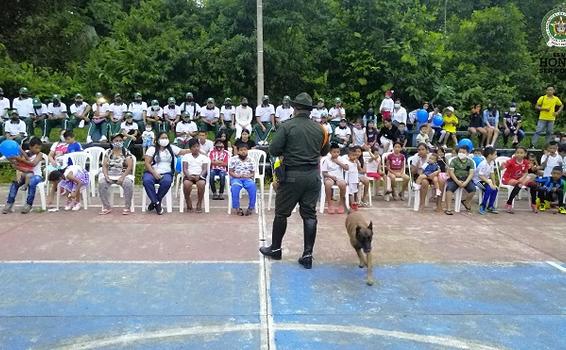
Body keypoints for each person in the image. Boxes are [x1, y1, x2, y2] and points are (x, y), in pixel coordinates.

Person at [260, 92, 330, 269]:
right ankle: (307, 254)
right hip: (312, 176)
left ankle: (276, 249)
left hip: (292, 175)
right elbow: (323, 152)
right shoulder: (321, 129)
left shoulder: (287, 126)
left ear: (295, 108)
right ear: (309, 110)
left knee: (282, 213)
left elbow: (274, 150)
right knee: (309, 215)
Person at [143, 132, 191, 215]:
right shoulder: (152, 149)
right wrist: (154, 173)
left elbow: (183, 151)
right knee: (147, 181)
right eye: (162, 138)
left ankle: (154, 201)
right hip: (152, 172)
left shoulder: (171, 148)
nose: (164, 140)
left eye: (166, 138)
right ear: (157, 139)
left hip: (166, 173)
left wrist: (195, 149)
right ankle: (157, 203)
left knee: (167, 182)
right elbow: (147, 163)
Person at [2, 137, 44, 214]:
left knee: (32, 181)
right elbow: (20, 165)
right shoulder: (25, 153)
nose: (38, 149)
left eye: (39, 148)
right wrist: (15, 165)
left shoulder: (40, 154)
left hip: (37, 176)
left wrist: (20, 159)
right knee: (15, 183)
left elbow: (33, 164)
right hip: (26, 174)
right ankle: (9, 203)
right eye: (36, 148)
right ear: (30, 147)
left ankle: (28, 204)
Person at [98, 134, 135, 215]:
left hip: (123, 174)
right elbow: (104, 166)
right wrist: (106, 177)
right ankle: (107, 207)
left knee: (128, 183)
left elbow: (129, 166)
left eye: (120, 141)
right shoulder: (108, 152)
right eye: (116, 141)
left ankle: (127, 207)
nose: (118, 142)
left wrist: (122, 177)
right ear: (112, 142)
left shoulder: (126, 152)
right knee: (102, 183)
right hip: (110, 175)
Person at [46, 131, 82, 206]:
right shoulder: (64, 145)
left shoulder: (76, 145)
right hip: (63, 166)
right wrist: (57, 158)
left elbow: (81, 154)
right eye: (66, 139)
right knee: (54, 174)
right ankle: (56, 192)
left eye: (68, 139)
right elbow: (63, 155)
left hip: (73, 167)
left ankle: (72, 198)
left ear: (72, 137)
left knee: (68, 179)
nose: (66, 141)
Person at [501, 146, 537, 213]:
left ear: (525, 154)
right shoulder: (511, 161)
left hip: (520, 178)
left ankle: (533, 204)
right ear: (515, 153)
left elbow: (526, 172)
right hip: (508, 178)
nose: (519, 154)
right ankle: (509, 203)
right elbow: (503, 167)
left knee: (534, 185)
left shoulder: (525, 162)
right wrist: (502, 166)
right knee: (519, 184)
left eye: (521, 153)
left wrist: (522, 178)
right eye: (517, 152)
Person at [444, 146, 475, 215]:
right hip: (455, 178)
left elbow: (471, 173)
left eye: (463, 152)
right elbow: (451, 172)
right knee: (449, 189)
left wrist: (466, 182)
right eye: (460, 152)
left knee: (473, 189)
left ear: (467, 153)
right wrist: (457, 181)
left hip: (466, 179)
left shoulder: (470, 162)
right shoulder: (454, 161)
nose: (461, 153)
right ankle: (448, 208)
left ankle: (466, 202)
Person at [182, 138, 209, 213]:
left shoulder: (204, 157)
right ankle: (188, 200)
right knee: (186, 184)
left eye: (197, 146)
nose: (196, 148)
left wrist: (199, 176)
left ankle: (199, 203)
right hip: (189, 176)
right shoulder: (186, 156)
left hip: (199, 176)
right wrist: (188, 176)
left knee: (201, 184)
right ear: (190, 148)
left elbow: (204, 169)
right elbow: (185, 168)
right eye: (193, 147)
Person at [228, 143, 257, 216]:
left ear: (247, 151)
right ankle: (237, 208)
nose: (243, 152)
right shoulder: (233, 159)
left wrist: (248, 176)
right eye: (241, 150)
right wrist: (237, 176)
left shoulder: (251, 160)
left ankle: (250, 207)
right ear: (238, 151)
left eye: (245, 150)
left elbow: (253, 173)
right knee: (235, 188)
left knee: (253, 186)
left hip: (247, 179)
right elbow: (230, 172)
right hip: (236, 178)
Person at [321, 143, 348, 214]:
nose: (336, 154)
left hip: (339, 177)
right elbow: (324, 172)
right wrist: (331, 176)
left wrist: (338, 162)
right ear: (330, 152)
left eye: (338, 152)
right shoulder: (327, 160)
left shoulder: (341, 159)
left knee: (343, 184)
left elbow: (346, 168)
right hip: (330, 177)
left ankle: (341, 203)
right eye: (334, 152)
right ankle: (330, 204)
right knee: (328, 184)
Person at [473, 146, 499, 215]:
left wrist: (494, 183)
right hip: (478, 180)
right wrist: (489, 183)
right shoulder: (483, 163)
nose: (496, 156)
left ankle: (490, 206)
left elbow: (492, 173)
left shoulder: (491, 162)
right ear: (490, 155)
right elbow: (480, 176)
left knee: (495, 189)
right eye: (495, 154)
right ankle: (482, 206)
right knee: (489, 188)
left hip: (485, 180)